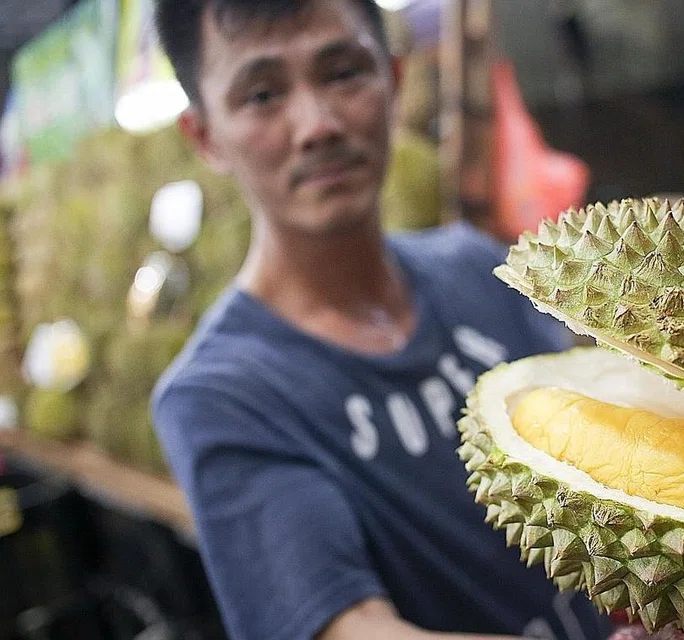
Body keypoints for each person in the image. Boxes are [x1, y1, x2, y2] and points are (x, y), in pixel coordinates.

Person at [150, 1, 610, 639]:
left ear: (393, 81)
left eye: (342, 73)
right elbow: (347, 629)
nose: (318, 125)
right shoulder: (222, 395)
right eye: (261, 95)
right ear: (205, 136)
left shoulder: (483, 270)